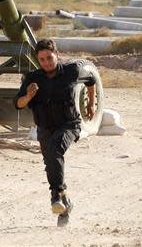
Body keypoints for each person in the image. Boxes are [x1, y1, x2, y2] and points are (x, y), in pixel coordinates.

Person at [14, 38, 96, 226]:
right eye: (42, 59)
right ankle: (64, 206)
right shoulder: (32, 78)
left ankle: (56, 197)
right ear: (37, 60)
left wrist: (91, 103)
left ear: (56, 55)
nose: (46, 62)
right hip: (45, 128)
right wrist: (28, 96)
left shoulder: (71, 71)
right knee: (51, 162)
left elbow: (91, 80)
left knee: (55, 149)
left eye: (49, 58)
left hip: (69, 124)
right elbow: (18, 104)